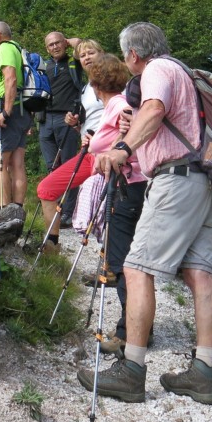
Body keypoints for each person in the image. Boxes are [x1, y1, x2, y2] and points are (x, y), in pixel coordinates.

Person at [80, 22, 212, 405]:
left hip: (177, 180)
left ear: (132, 54)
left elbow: (157, 109)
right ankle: (204, 373)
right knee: (200, 271)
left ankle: (131, 370)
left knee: (135, 267)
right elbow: (164, 117)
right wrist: (137, 126)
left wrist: (123, 148)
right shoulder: (182, 72)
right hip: (205, 180)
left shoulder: (156, 70)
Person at [69, 53, 148, 355]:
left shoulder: (118, 105)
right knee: (130, 263)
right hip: (133, 185)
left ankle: (129, 335)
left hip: (127, 186)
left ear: (95, 82)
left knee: (123, 263)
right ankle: (137, 330)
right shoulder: (118, 105)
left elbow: (126, 135)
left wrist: (111, 146)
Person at [35, 39, 104, 246]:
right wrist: (76, 124)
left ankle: (113, 265)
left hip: (111, 155)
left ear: (102, 53)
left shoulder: (112, 82)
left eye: (91, 53)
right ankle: (51, 248)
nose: (86, 58)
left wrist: (73, 41)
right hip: (89, 153)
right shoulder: (86, 88)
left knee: (109, 211)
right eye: (82, 55)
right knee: (46, 189)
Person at [37, 31, 84, 227]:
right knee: (52, 167)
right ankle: (54, 212)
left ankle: (69, 213)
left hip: (68, 119)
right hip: (45, 120)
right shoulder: (44, 66)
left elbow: (83, 46)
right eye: (51, 45)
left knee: (69, 167)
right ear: (46, 48)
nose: (55, 47)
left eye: (58, 43)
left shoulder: (74, 62)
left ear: (64, 44)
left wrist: (71, 41)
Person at [0, 21, 34, 209]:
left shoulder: (5, 48)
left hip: (8, 112)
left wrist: (5, 111)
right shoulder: (16, 49)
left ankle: (4, 210)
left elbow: (10, 77)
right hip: (20, 111)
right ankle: (17, 210)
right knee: (16, 163)